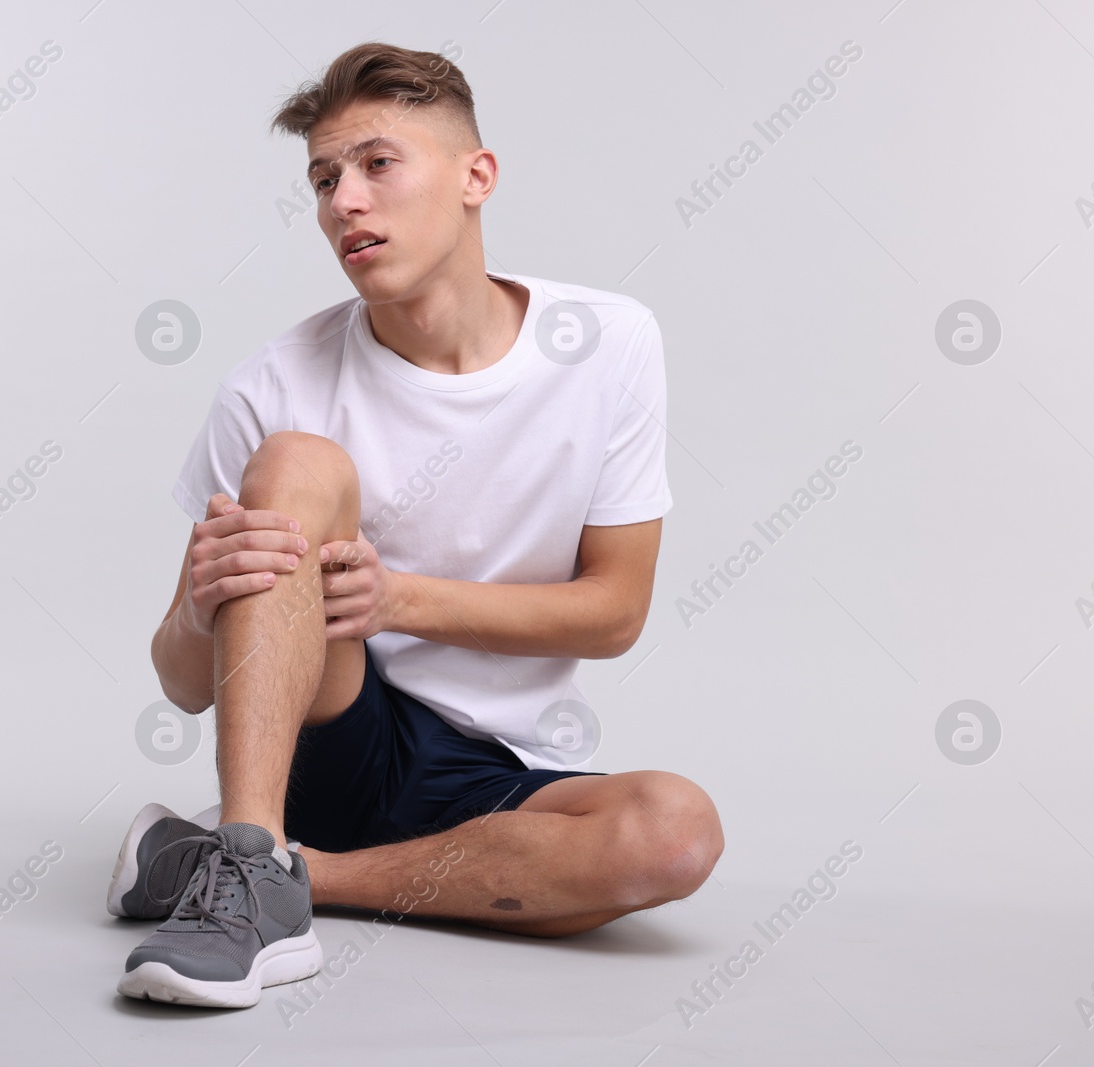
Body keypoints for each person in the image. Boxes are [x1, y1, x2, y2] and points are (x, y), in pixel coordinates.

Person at [111, 41, 723, 1009]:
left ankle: (255, 873)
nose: (342, 202)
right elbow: (183, 685)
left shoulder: (607, 342)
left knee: (672, 834)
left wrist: (398, 597)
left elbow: (612, 613)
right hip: (329, 729)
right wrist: (203, 603)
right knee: (301, 461)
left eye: (376, 164)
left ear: (476, 175)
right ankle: (248, 844)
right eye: (322, 179)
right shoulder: (272, 385)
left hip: (501, 769)